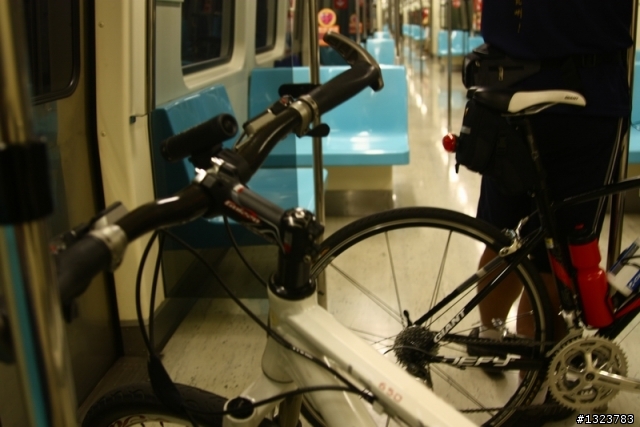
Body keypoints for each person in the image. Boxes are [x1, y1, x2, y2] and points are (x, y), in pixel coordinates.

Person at [471, 1, 633, 425]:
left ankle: (490, 336)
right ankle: (536, 383)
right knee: (554, 253)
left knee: (503, 235)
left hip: (506, 83)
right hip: (586, 93)